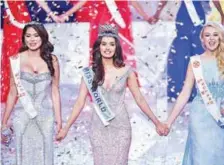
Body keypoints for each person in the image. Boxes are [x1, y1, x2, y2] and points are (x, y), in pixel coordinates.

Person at [56, 24, 167, 165]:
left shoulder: (127, 71)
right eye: (104, 44)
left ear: (116, 48)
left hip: (121, 127)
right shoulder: (89, 73)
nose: (107, 48)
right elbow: (79, 103)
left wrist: (157, 122)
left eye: (111, 44)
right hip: (98, 126)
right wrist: (66, 128)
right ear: (99, 47)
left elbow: (139, 98)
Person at [163, 22, 224, 165]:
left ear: (220, 38)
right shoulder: (195, 62)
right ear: (202, 39)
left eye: (215, 35)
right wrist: (169, 122)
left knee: (222, 156)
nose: (211, 38)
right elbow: (185, 94)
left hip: (222, 116)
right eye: (207, 35)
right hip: (200, 116)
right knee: (201, 156)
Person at [1, 22, 62, 165]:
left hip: (45, 116)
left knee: (45, 156)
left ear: (43, 37)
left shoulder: (52, 60)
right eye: (28, 36)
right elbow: (12, 92)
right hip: (22, 116)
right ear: (24, 38)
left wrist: (59, 120)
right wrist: (4, 121)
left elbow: (55, 91)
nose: (32, 39)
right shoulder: (16, 60)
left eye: (36, 35)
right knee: (23, 157)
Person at [153, 0, 224, 102]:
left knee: (191, 47)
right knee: (186, 49)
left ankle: (186, 91)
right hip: (190, 15)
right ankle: (189, 91)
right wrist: (222, 16)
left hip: (192, 16)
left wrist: (156, 14)